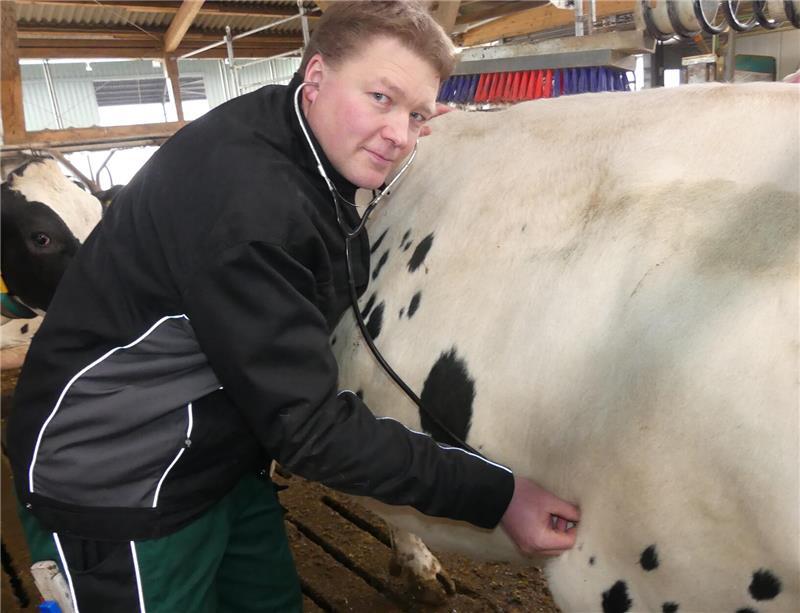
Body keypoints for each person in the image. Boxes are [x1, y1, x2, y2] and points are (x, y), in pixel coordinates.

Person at [8, 2, 580, 611]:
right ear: (315, 78)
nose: (399, 134)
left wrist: (398, 120)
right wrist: (501, 495)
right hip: (115, 477)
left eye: (416, 114)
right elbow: (308, 430)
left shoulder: (290, 130)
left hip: (217, 453)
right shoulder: (248, 205)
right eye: (381, 98)